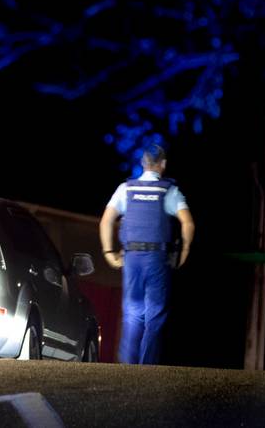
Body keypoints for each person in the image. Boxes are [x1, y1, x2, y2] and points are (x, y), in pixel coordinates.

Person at [99, 143, 195, 365]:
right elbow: (188, 223)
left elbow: (106, 221)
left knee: (132, 312)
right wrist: (185, 250)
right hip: (156, 258)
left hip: (131, 257)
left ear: (143, 164)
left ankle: (128, 365)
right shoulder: (169, 191)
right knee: (155, 312)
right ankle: (147, 367)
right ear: (163, 164)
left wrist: (108, 252)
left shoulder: (125, 189)